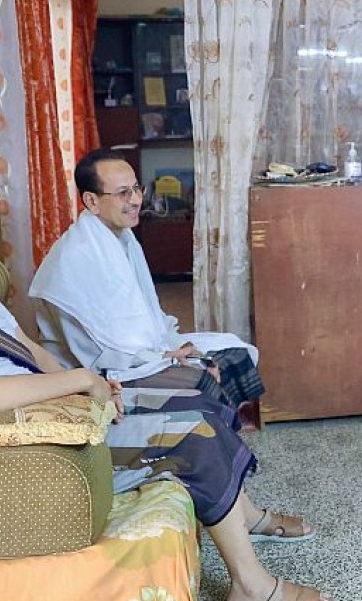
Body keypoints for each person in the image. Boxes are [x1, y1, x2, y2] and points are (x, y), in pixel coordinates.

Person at [0, 191, 335, 601]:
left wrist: (87, 388)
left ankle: (242, 516)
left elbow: (22, 347)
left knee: (200, 400)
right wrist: (79, 381)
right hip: (30, 447)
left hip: (60, 408)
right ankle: (252, 591)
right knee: (194, 437)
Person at [29, 148, 264, 415]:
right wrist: (163, 358)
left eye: (136, 189)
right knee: (201, 379)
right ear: (91, 201)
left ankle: (224, 436)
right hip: (104, 371)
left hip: (141, 354)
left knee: (234, 351)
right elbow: (97, 350)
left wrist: (177, 346)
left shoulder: (122, 238)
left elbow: (147, 315)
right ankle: (212, 444)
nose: (136, 200)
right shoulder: (74, 258)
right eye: (122, 194)